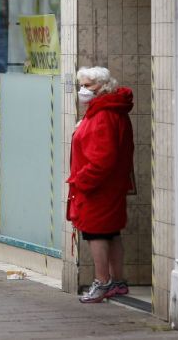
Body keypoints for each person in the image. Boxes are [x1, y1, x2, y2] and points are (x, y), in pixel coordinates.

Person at [66, 66, 134, 303]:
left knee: (96, 233)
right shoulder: (104, 111)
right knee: (111, 232)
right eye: (81, 85)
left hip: (97, 188)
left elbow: (102, 158)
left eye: (88, 86)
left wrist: (80, 181)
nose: (83, 91)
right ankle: (117, 281)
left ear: (103, 86)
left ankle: (102, 282)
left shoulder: (103, 114)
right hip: (109, 186)